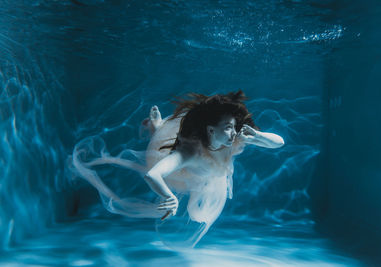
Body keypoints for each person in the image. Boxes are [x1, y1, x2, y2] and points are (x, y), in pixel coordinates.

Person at [70, 90, 284, 246]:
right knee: (159, 151)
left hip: (211, 172)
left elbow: (279, 143)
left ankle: (160, 127)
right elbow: (152, 174)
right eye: (228, 127)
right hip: (183, 176)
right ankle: (157, 129)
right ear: (211, 130)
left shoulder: (233, 137)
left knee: (204, 198)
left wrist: (259, 137)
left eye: (234, 127)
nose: (234, 132)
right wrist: (168, 196)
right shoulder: (188, 152)